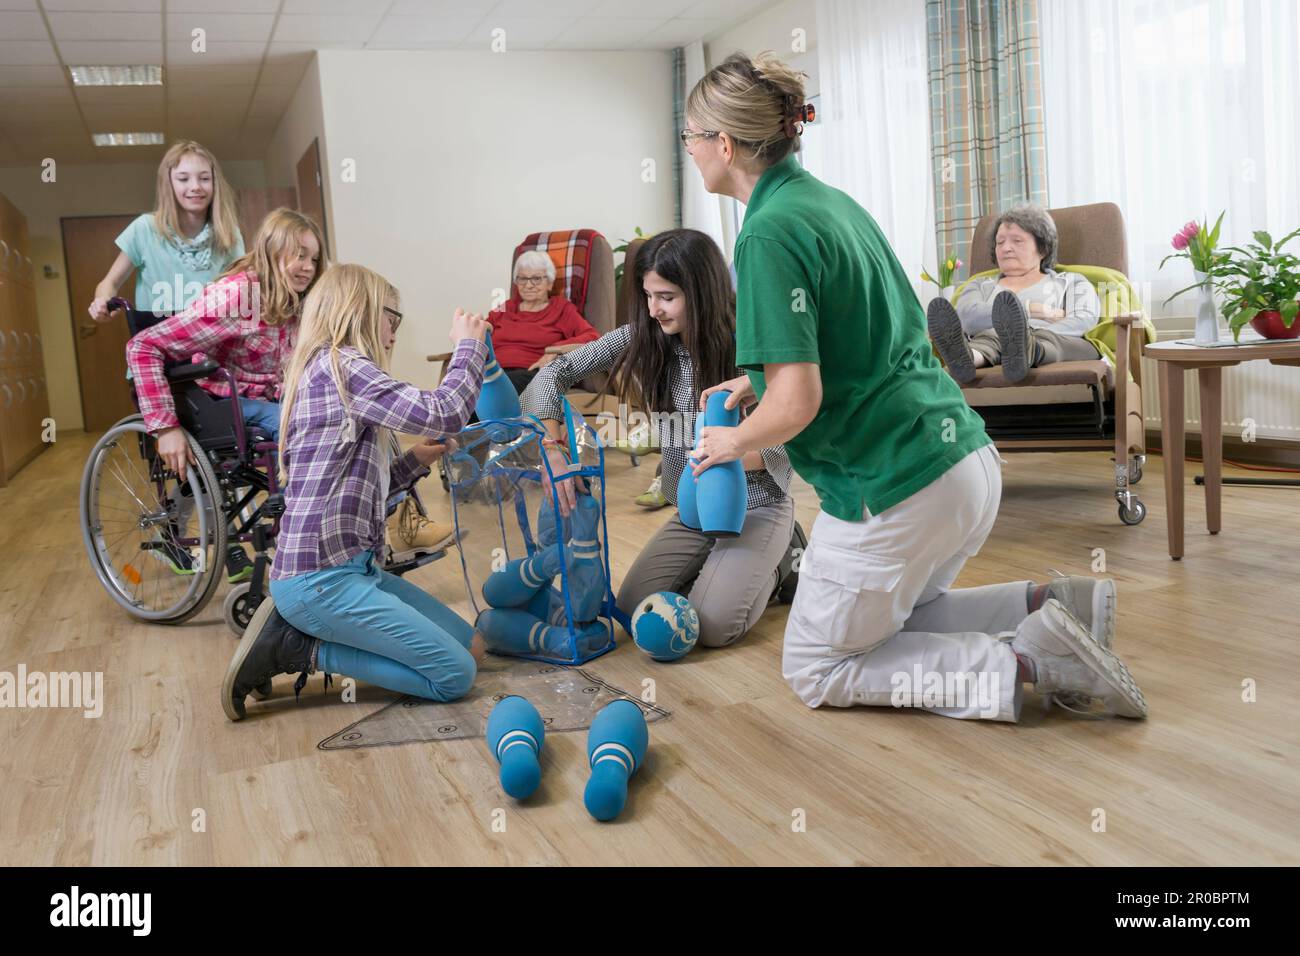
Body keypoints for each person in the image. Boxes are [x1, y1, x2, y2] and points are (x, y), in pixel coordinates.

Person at [685, 52, 1146, 720]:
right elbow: (860, 339)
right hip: (964, 463)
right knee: (907, 613)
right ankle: (1056, 606)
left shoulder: (766, 231)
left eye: (692, 136)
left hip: (896, 487)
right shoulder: (828, 202)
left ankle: (1029, 661)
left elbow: (800, 403)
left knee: (818, 667)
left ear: (723, 145)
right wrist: (761, 377)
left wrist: (731, 442)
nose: (691, 150)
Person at [222, 264, 490, 721]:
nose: (394, 330)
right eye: (393, 317)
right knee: (454, 676)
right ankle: (299, 648)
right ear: (362, 311)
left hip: (352, 570)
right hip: (319, 581)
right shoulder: (343, 367)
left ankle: (312, 634)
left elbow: (363, 501)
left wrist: (413, 462)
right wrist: (468, 347)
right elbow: (445, 412)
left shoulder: (330, 369)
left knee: (474, 647)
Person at [522, 229, 800, 649]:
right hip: (690, 510)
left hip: (758, 504)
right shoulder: (644, 335)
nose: (653, 310)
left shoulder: (753, 342)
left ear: (701, 292)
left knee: (712, 627)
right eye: (648, 295)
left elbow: (799, 428)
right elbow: (552, 374)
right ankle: (723, 566)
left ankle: (783, 558)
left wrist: (734, 452)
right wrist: (553, 449)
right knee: (633, 608)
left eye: (666, 297)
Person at [125, 208, 325, 582]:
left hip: (263, 396)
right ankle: (302, 550)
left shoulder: (298, 300)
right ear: (271, 250)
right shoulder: (238, 296)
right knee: (292, 425)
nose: (307, 267)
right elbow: (143, 346)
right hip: (213, 397)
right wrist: (164, 428)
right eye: (299, 254)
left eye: (313, 258)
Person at [927, 203, 1102, 383]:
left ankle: (1028, 349)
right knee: (995, 335)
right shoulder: (979, 285)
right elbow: (966, 317)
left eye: (1017, 241)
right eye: (1000, 242)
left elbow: (1084, 319)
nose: (1005, 248)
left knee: (1067, 344)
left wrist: (1028, 336)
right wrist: (1030, 310)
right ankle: (967, 359)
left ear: (1043, 248)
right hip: (993, 338)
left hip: (1053, 341)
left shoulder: (1070, 281)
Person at [89, 139, 244, 322]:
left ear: (215, 183)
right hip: (156, 343)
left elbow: (243, 290)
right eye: (183, 179)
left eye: (204, 178)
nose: (195, 186)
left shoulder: (228, 233)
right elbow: (110, 282)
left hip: (211, 342)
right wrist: (102, 301)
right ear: (168, 184)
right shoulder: (145, 229)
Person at [486, 250, 600, 393]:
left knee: (493, 387)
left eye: (536, 279)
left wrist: (555, 350)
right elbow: (481, 333)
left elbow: (592, 336)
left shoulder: (561, 309)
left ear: (550, 283)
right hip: (493, 371)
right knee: (472, 385)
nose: (528, 285)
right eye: (522, 278)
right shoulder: (505, 307)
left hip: (533, 373)